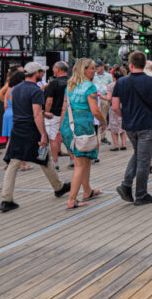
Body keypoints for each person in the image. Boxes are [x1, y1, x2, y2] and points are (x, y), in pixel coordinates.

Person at [0, 62, 70, 212]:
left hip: (17, 130)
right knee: (44, 157)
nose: (43, 74)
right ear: (36, 73)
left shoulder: (15, 89)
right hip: (32, 131)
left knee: (14, 164)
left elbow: (25, 109)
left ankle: (6, 199)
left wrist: (45, 113)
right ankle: (58, 187)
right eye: (41, 72)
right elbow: (36, 114)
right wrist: (43, 134)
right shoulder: (36, 91)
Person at [112, 50, 152, 206]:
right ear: (144, 65)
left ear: (130, 65)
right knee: (143, 160)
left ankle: (126, 185)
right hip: (147, 125)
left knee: (138, 155)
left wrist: (126, 115)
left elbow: (115, 107)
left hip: (129, 126)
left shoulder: (121, 82)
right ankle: (141, 194)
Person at [59, 58, 105, 209]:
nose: (94, 70)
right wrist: (103, 122)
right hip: (82, 126)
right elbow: (95, 110)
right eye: (92, 68)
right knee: (80, 164)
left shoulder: (70, 86)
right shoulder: (89, 87)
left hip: (69, 125)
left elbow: (65, 108)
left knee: (85, 159)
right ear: (84, 70)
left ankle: (87, 191)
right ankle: (72, 199)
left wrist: (61, 128)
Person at [44, 61, 69, 170]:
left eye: (54, 68)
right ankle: (73, 160)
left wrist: (46, 112)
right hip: (69, 113)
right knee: (68, 136)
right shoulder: (72, 81)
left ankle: (55, 163)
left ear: (59, 69)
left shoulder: (53, 83)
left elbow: (49, 100)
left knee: (53, 138)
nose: (53, 70)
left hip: (54, 114)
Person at [93, 60, 113, 144]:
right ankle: (95, 135)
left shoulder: (108, 76)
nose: (96, 68)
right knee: (95, 116)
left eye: (97, 66)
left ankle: (103, 136)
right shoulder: (93, 75)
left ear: (102, 67)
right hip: (94, 98)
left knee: (103, 117)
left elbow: (111, 86)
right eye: (95, 66)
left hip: (104, 98)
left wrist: (108, 96)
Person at [106, 69, 127, 151]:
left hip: (114, 107)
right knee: (122, 126)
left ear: (114, 78)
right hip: (124, 106)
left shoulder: (111, 86)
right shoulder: (125, 85)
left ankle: (116, 145)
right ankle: (124, 144)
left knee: (113, 126)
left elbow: (108, 98)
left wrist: (101, 96)